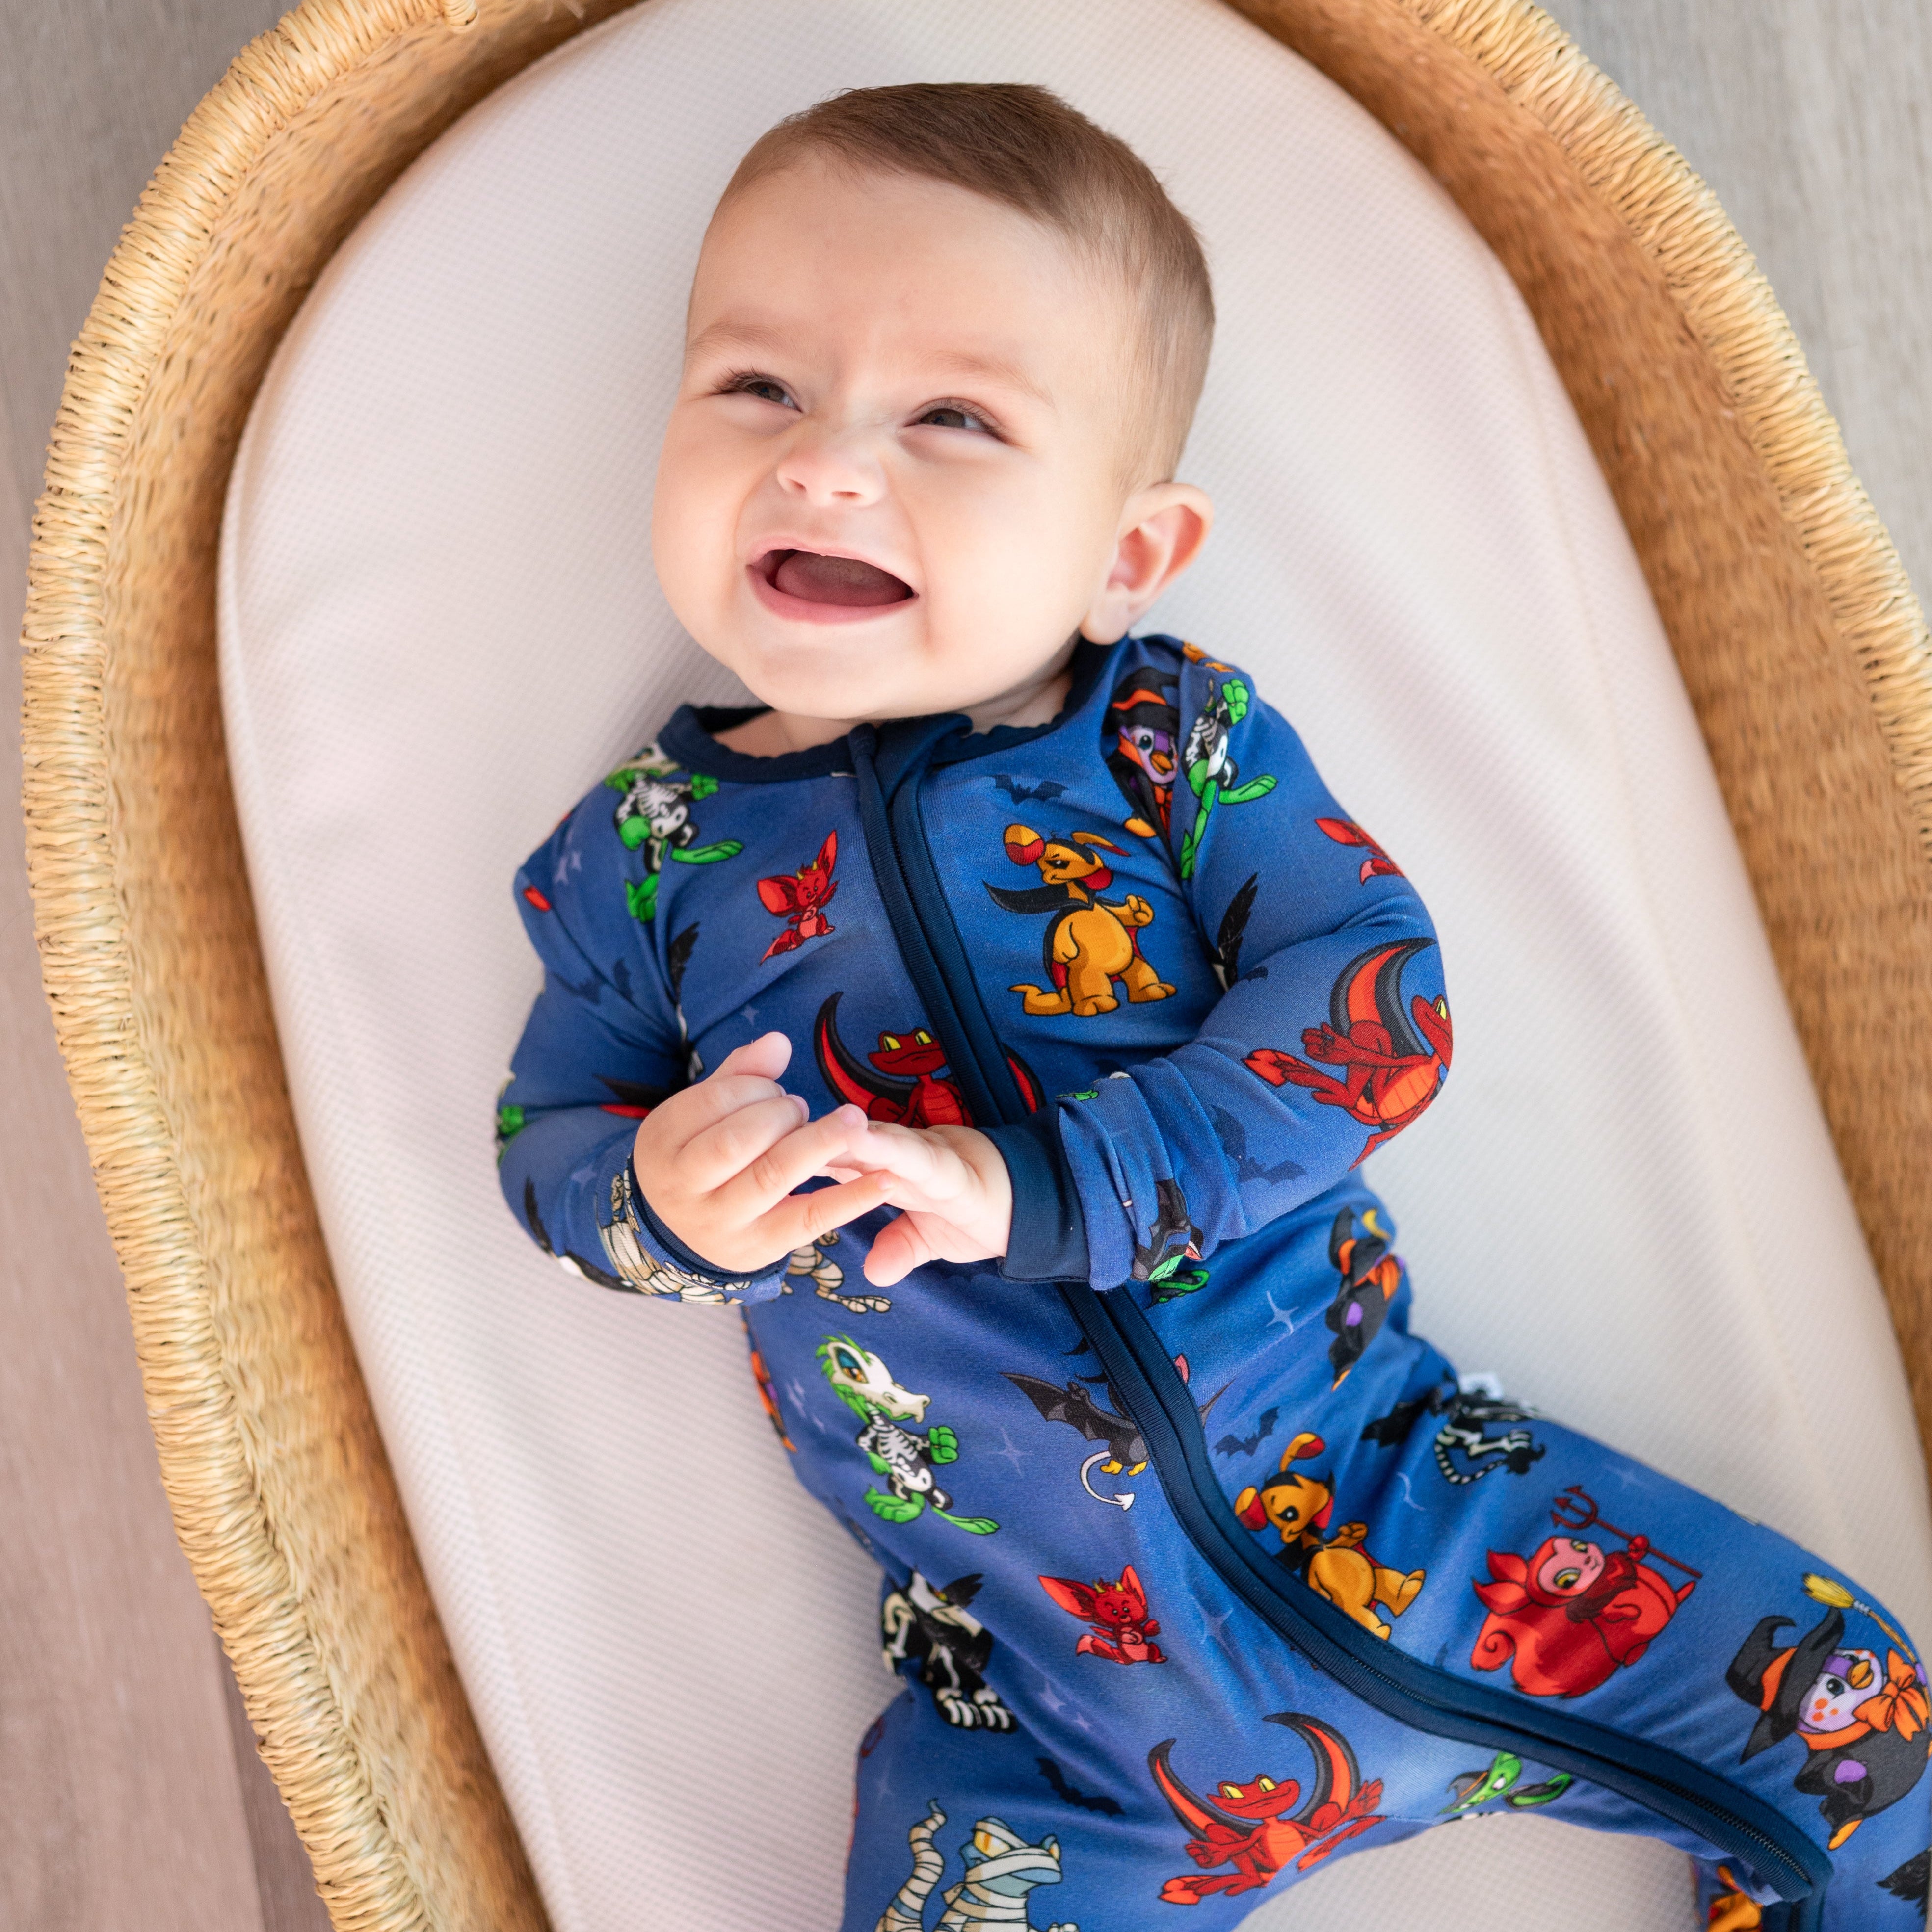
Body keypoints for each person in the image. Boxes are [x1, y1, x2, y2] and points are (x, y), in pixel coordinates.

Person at [497, 82, 1928, 1930]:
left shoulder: (1168, 739)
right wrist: (659, 1205)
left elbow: (1371, 1000)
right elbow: (549, 1135)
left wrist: (1040, 1185)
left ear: (1127, 557)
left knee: (1859, 1720)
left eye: (952, 418)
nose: (826, 464)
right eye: (757, 387)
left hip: (1413, 1518)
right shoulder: (637, 853)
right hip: (1045, 1715)